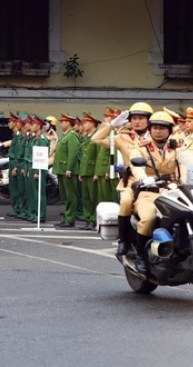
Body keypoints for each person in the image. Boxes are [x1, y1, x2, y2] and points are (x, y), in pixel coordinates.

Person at [92, 102, 154, 255]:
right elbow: (96, 140)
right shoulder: (123, 138)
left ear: (149, 120)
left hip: (155, 180)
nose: (137, 122)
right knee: (126, 202)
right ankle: (123, 241)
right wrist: (111, 125)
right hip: (132, 181)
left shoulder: (157, 135)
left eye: (141, 118)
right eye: (134, 118)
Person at [128, 111, 180, 274]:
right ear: (150, 130)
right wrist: (144, 179)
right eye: (155, 128)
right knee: (149, 217)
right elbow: (136, 165)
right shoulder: (142, 148)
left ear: (169, 131)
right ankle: (141, 257)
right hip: (149, 192)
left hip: (174, 192)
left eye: (163, 128)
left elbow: (187, 163)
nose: (158, 131)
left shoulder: (176, 148)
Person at [52, 114, 81, 228]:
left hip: (68, 171)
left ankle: (70, 219)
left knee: (70, 196)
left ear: (69, 123)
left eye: (63, 121)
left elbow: (73, 154)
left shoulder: (72, 136)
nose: (61, 124)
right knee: (64, 197)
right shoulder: (65, 136)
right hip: (61, 170)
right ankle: (65, 217)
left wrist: (69, 168)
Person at [77, 112, 100, 230]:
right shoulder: (86, 137)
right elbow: (83, 157)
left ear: (92, 124)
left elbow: (98, 157)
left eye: (86, 122)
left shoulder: (97, 137)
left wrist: (96, 172)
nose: (84, 124)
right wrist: (81, 172)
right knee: (85, 198)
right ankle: (87, 219)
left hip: (92, 172)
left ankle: (94, 219)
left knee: (93, 198)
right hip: (85, 171)